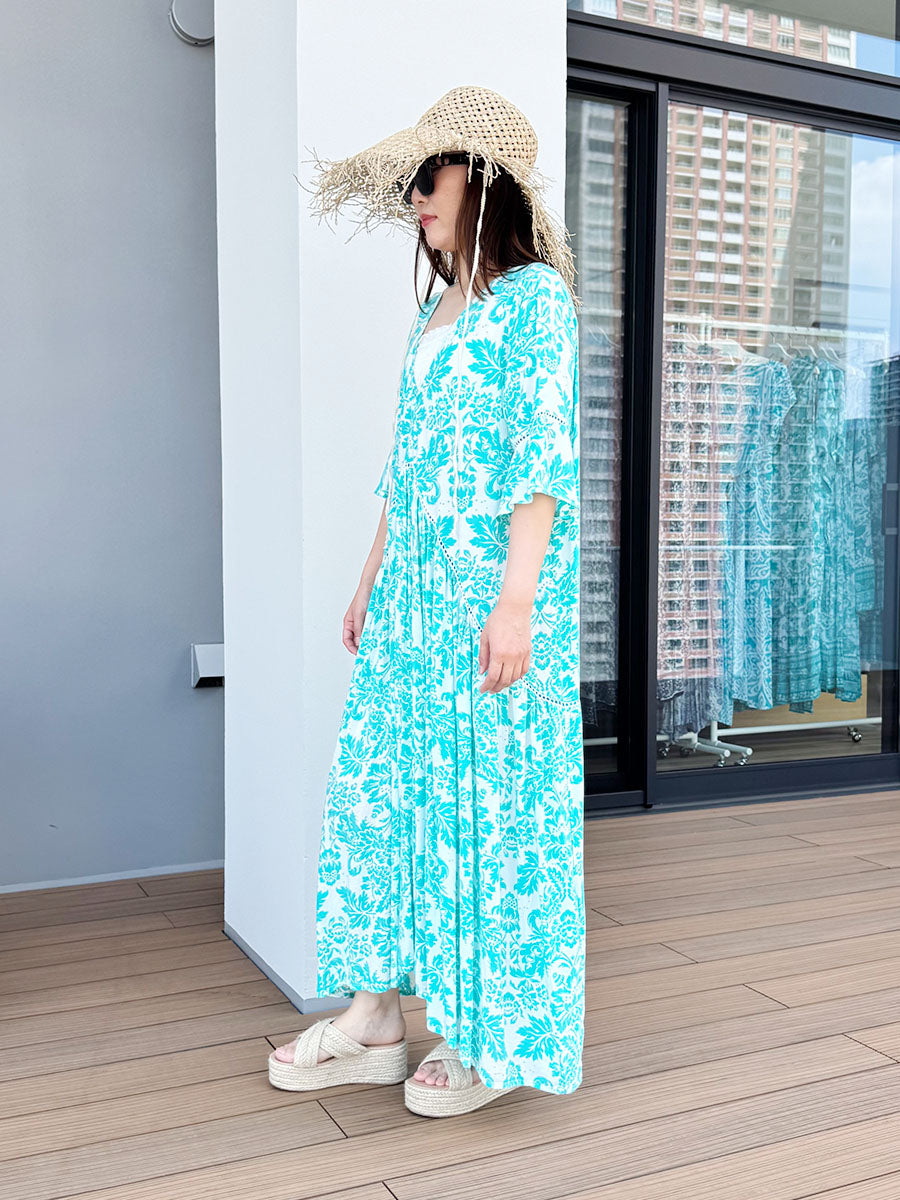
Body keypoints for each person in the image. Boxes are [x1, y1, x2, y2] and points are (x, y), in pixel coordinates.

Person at [268, 85, 585, 1118]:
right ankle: (375, 1017)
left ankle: (487, 1037)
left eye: (426, 176)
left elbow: (542, 459)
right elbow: (406, 466)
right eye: (409, 182)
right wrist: (369, 577)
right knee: (389, 794)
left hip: (488, 599)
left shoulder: (536, 301)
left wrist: (517, 601)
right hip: (411, 600)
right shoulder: (433, 313)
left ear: (481, 180)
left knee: (489, 808)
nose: (414, 197)